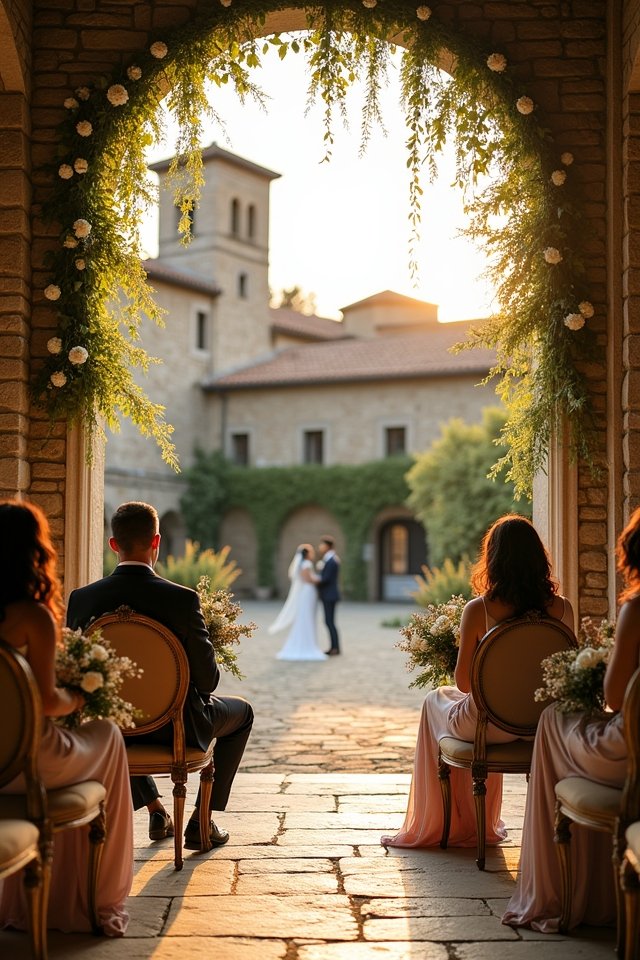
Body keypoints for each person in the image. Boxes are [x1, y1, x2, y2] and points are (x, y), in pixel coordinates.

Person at [66, 501, 253, 850]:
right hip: (177, 729)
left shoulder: (81, 600)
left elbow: (71, 677)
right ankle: (200, 821)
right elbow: (208, 682)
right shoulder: (182, 600)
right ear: (157, 542)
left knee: (119, 717)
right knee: (243, 713)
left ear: (113, 544)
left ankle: (156, 809)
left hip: (115, 731)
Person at [381, 514, 574, 849]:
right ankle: (479, 822)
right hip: (542, 721)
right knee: (461, 701)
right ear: (538, 557)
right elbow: (567, 677)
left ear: (493, 557)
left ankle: (440, 824)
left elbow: (466, 685)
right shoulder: (563, 609)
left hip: (490, 726)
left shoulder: (479, 609)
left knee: (434, 700)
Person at [503, 508, 640, 932]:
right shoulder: (559, 607)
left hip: (630, 749)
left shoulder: (637, 608)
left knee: (551, 719)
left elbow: (616, 698)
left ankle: (558, 894)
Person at [0, 500, 132, 936]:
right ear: (34, 551)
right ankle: (96, 898)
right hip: (29, 761)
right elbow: (46, 703)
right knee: (109, 735)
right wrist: (79, 695)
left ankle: (37, 898)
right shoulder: (32, 617)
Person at [269, 544, 326, 661]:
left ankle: (308, 643)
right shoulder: (306, 564)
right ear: (307, 554)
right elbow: (307, 579)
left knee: (307, 617)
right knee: (306, 617)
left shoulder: (303, 564)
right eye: (311, 552)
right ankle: (305, 645)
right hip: (308, 592)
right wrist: (319, 579)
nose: (313, 554)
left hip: (307, 592)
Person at [317, 535, 341, 656]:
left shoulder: (331, 560)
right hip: (329, 595)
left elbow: (326, 579)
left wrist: (314, 580)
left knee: (329, 622)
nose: (320, 547)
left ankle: (335, 648)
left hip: (329, 595)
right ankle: (334, 647)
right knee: (329, 622)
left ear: (327, 546)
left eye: (322, 545)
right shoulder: (330, 559)